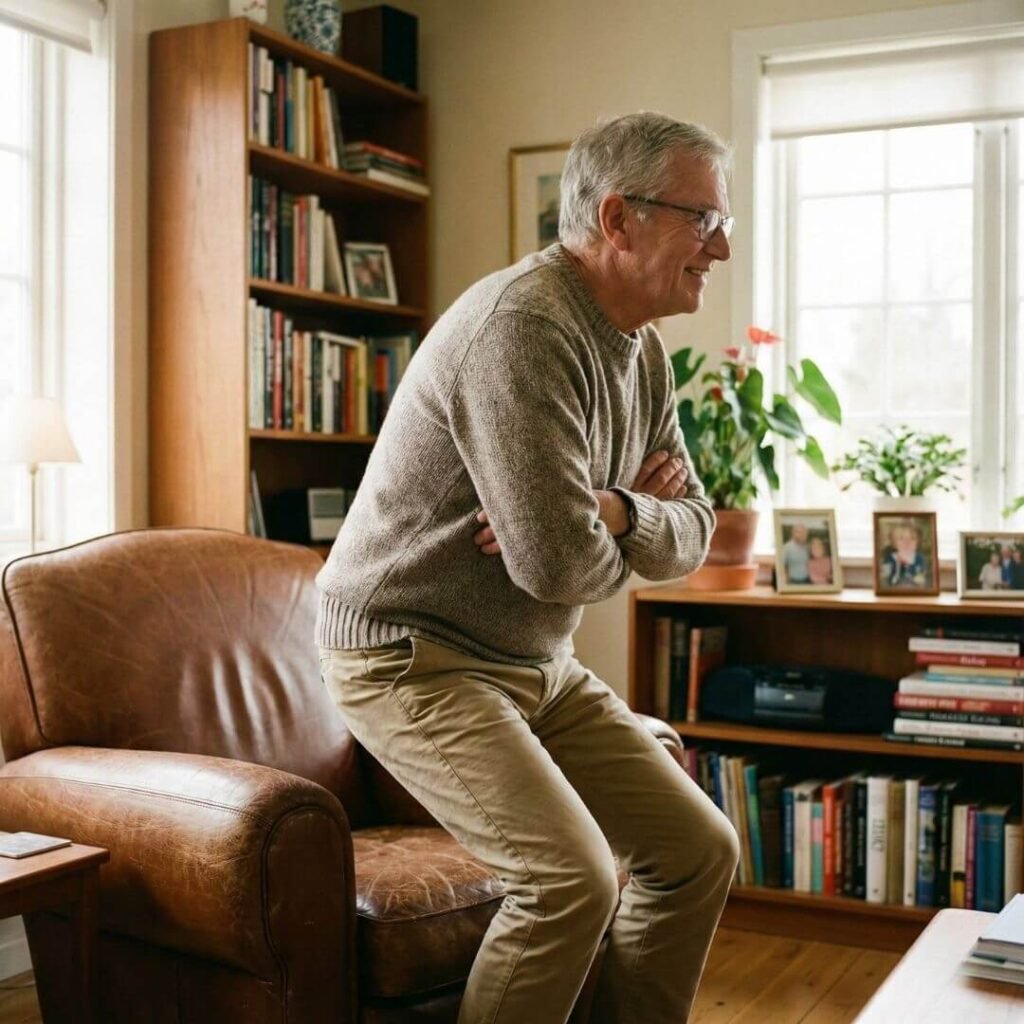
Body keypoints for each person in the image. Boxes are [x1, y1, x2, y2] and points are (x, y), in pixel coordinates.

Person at [316, 112, 739, 1024]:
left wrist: (614, 508)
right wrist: (588, 529)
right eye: (703, 220)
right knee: (567, 882)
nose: (723, 247)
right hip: (410, 655)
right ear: (619, 219)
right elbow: (555, 565)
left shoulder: (643, 352)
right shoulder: (523, 328)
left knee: (698, 850)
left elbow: (696, 529)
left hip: (535, 662)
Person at [882, 520, 928, 588]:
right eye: (901, 538)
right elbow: (886, 576)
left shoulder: (919, 558)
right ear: (894, 543)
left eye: (912, 538)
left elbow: (921, 575)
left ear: (918, 542)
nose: (907, 542)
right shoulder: (889, 558)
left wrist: (919, 577)